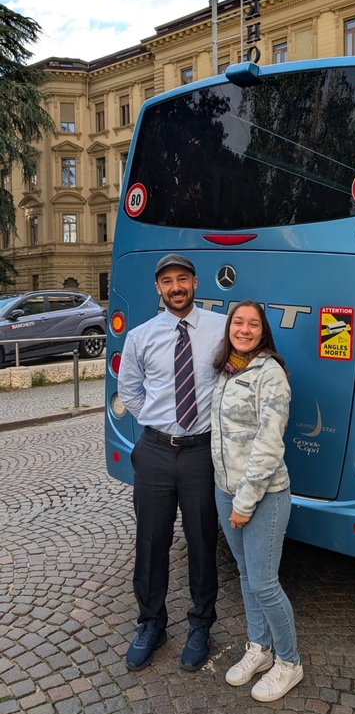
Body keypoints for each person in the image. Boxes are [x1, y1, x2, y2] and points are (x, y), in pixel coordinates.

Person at [118, 254, 226, 672]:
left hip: (202, 451)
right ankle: (151, 624)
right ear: (158, 289)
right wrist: (160, 419)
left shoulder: (221, 327)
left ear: (195, 283)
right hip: (156, 450)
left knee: (202, 541)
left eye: (182, 279)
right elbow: (129, 390)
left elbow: (239, 372)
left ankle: (201, 624)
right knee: (151, 541)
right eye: (167, 281)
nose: (176, 287)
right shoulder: (141, 336)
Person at [211, 300, 303, 702]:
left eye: (252, 324)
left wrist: (244, 502)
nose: (243, 329)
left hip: (263, 496)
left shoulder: (271, 375)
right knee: (246, 575)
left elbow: (268, 446)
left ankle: (289, 662)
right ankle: (259, 649)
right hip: (224, 489)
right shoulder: (228, 369)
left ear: (263, 332)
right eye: (237, 322)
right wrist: (224, 489)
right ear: (229, 327)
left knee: (265, 583)